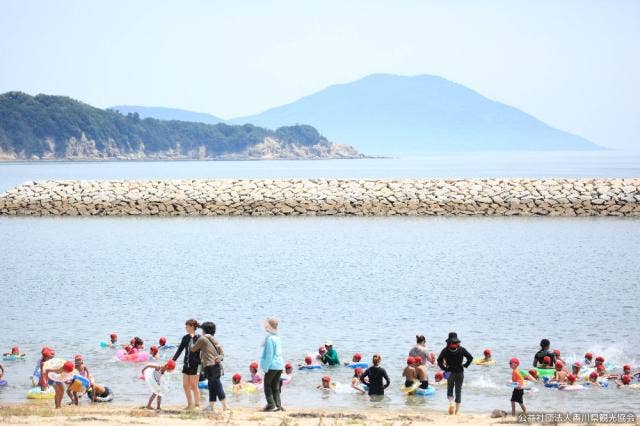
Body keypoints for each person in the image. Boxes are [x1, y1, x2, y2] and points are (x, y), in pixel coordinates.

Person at [189, 321, 227, 413]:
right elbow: (222, 352)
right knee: (213, 386)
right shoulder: (214, 339)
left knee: (217, 386)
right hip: (216, 366)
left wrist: (191, 339)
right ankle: (211, 406)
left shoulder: (202, 339)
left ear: (204, 330)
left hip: (210, 366)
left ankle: (225, 406)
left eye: (202, 330)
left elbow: (193, 349)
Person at [437, 332, 473, 415]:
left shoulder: (445, 350)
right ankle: (456, 412)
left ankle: (451, 403)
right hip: (460, 372)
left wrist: (444, 368)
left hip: (449, 372)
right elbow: (470, 358)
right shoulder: (461, 349)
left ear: (448, 342)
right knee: (458, 391)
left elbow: (439, 361)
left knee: (450, 388)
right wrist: (465, 365)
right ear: (457, 342)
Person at [172, 318, 201, 410]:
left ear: (192, 327)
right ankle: (190, 404)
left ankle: (197, 405)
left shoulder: (200, 338)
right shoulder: (185, 338)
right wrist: (173, 360)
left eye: (187, 326)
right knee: (185, 385)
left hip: (198, 366)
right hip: (187, 364)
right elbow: (179, 350)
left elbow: (204, 352)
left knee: (194, 385)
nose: (185, 328)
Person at [260, 317, 284, 412]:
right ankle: (278, 405)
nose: (265, 327)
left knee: (267, 385)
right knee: (275, 386)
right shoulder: (277, 338)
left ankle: (271, 405)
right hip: (279, 365)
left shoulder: (270, 339)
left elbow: (269, 355)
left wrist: (265, 367)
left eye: (266, 326)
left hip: (272, 365)